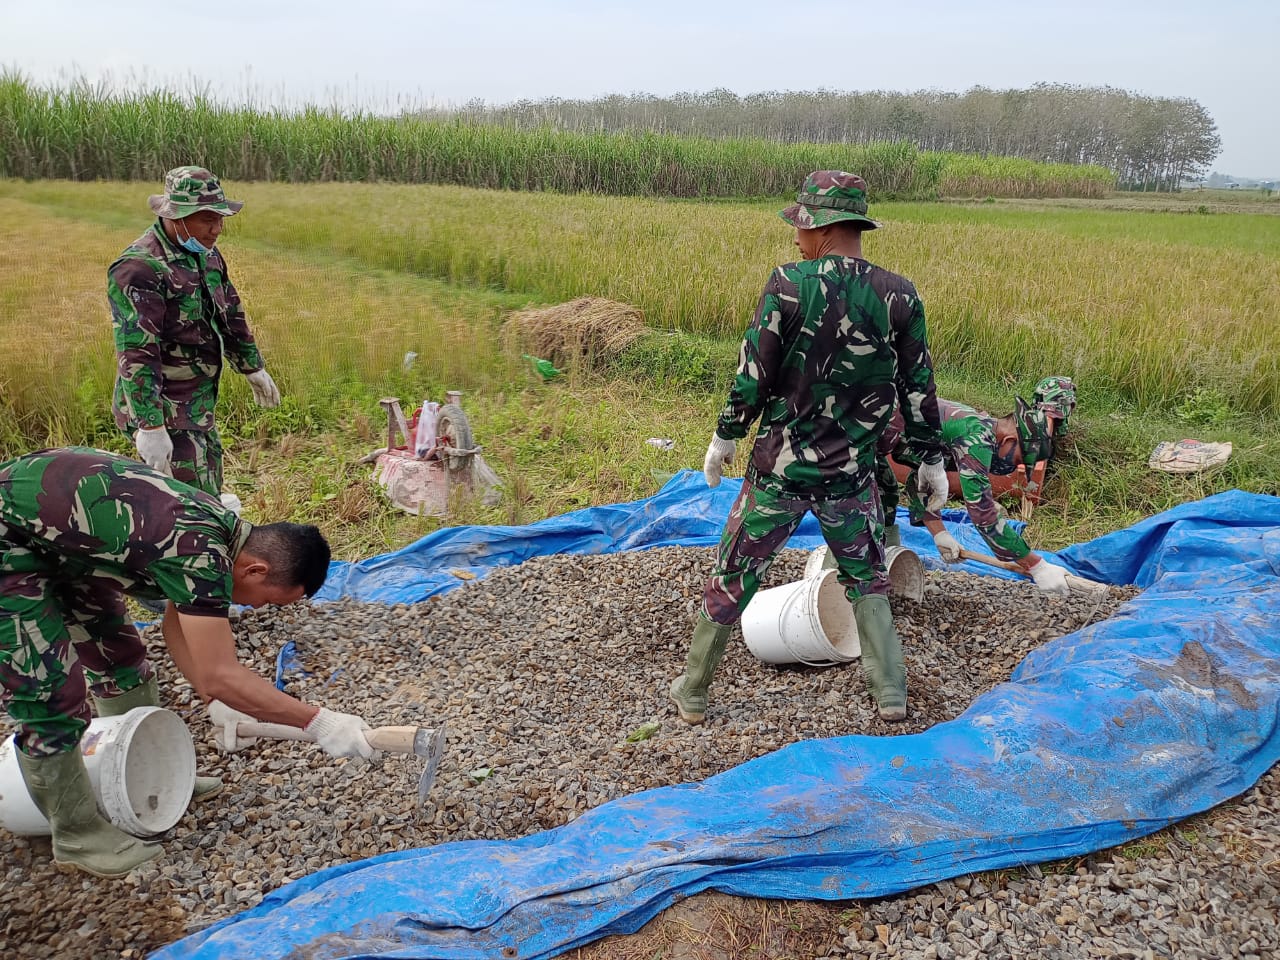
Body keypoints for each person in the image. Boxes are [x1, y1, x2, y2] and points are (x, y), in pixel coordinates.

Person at [0, 447, 375, 878]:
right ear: (255, 571)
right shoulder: (199, 553)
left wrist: (212, 695)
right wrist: (320, 722)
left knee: (119, 656)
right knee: (50, 694)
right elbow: (222, 673)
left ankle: (146, 770)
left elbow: (178, 621)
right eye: (269, 601)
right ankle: (76, 834)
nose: (261, 608)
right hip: (10, 543)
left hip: (58, 539)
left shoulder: (222, 533)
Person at [670, 171, 949, 727]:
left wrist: (725, 435)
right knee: (866, 576)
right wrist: (931, 458)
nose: (795, 236)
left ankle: (695, 691)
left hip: (781, 468)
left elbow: (754, 374)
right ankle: (890, 691)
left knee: (736, 571)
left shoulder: (787, 285)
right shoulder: (899, 294)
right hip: (851, 474)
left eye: (801, 226)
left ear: (820, 228)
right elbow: (918, 386)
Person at [108, 165, 281, 506]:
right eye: (206, 219)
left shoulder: (205, 253)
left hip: (196, 400)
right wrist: (150, 426)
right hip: (164, 405)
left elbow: (229, 310)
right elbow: (137, 351)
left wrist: (251, 366)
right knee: (188, 508)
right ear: (176, 216)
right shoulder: (140, 268)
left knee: (207, 479)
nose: (217, 229)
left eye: (220, 218)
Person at [889, 387, 1077, 595]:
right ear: (1009, 441)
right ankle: (867, 584)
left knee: (886, 494)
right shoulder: (976, 439)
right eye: (1017, 460)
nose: (1013, 467)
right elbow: (983, 514)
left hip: (881, 437)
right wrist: (1037, 566)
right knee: (876, 499)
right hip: (868, 428)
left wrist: (939, 533)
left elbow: (923, 476)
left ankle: (887, 576)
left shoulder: (979, 430)